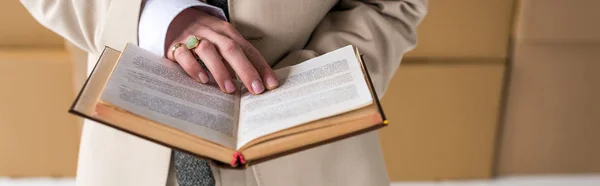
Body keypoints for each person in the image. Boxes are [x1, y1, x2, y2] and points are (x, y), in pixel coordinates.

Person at [21, 0, 427, 185]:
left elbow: (392, 5)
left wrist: (313, 82)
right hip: (129, 154)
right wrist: (154, 17)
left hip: (311, 156)